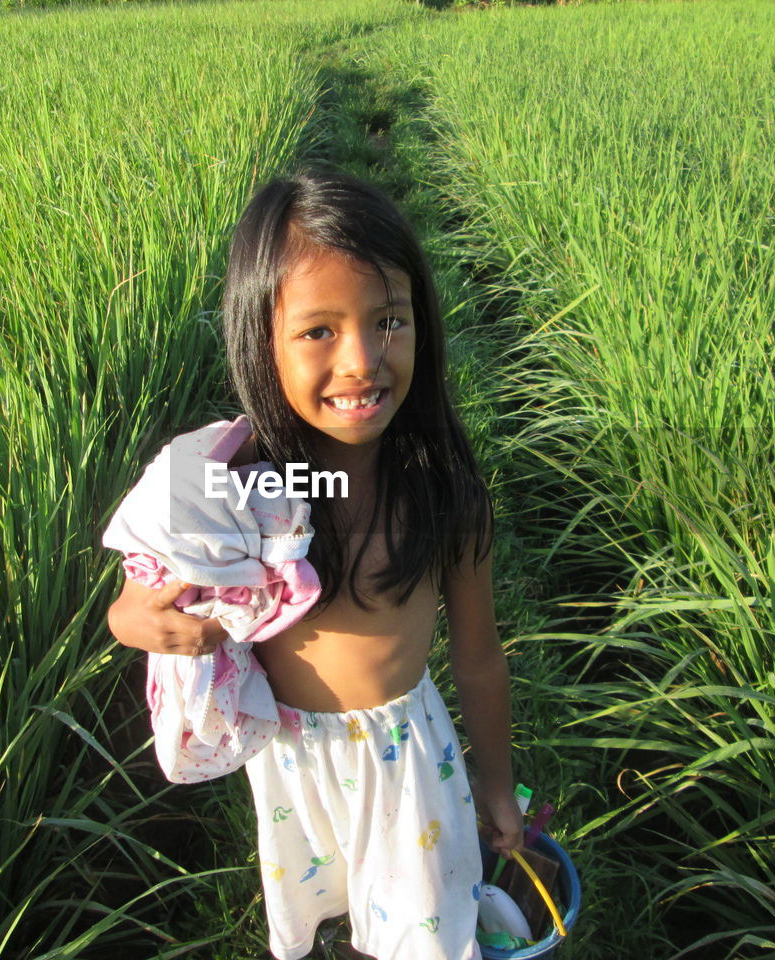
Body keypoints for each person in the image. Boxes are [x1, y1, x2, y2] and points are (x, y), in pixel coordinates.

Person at [105, 169, 521, 960]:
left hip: (406, 772)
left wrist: (496, 783)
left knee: (413, 934)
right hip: (290, 761)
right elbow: (129, 606)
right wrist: (147, 623)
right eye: (319, 330)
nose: (363, 359)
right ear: (260, 338)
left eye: (388, 319)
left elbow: (478, 658)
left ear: (421, 324)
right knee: (328, 911)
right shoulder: (233, 488)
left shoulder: (443, 493)